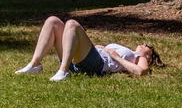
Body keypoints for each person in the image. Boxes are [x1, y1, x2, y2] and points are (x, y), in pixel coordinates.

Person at [14, 15, 163, 81]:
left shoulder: (140, 57)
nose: (144, 45)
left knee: (72, 24)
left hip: (95, 64)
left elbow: (141, 72)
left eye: (148, 47)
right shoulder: (130, 52)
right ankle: (34, 65)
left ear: (150, 56)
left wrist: (115, 56)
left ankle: (64, 70)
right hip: (86, 58)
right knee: (53, 21)